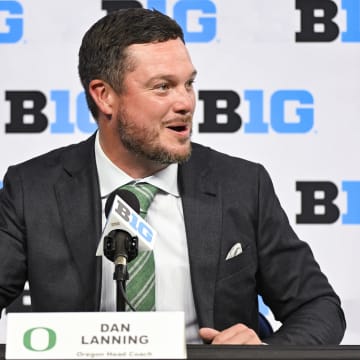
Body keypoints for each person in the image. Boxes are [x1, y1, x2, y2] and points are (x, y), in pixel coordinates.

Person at [0, 8, 345, 345]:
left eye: (188, 84)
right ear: (104, 96)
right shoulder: (33, 190)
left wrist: (263, 356)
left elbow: (318, 307)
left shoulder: (240, 185)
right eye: (163, 87)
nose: (186, 103)